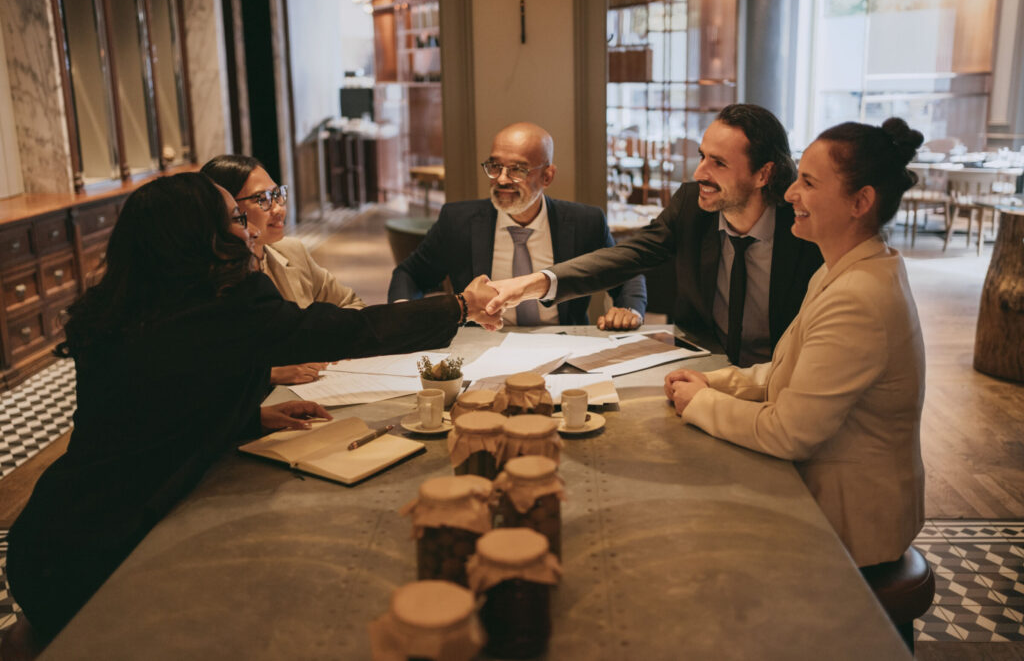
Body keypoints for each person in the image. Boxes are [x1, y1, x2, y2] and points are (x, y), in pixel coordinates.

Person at [3, 173, 500, 649]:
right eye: (238, 219)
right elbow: (351, 330)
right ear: (204, 238)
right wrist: (457, 305)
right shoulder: (224, 310)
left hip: (48, 534)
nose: (252, 228)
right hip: (102, 553)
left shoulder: (124, 305)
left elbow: (148, 410)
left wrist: (247, 417)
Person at [665, 118, 926, 568]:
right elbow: (791, 371)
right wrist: (716, 383)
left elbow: (789, 433)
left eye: (807, 182)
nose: (789, 195)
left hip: (853, 522)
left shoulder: (857, 296)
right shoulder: (840, 268)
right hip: (831, 493)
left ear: (861, 201)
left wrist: (699, 405)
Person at [485, 105, 822, 365]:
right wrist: (530, 284)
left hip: (782, 376)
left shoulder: (804, 229)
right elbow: (627, 257)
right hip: (704, 369)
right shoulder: (691, 204)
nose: (699, 172)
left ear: (764, 174)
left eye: (718, 163)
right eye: (702, 156)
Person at [388, 122, 647, 329]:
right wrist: (402, 313)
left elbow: (626, 274)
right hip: (483, 344)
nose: (501, 179)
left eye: (517, 170)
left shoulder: (585, 222)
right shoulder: (458, 221)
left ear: (547, 176)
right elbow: (410, 274)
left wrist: (629, 309)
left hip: (562, 341)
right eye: (495, 166)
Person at [202, 154, 364, 385]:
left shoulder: (291, 252)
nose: (278, 209)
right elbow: (205, 367)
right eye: (263, 199)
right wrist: (269, 374)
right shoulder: (211, 279)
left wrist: (329, 344)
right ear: (226, 208)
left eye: (277, 195)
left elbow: (352, 305)